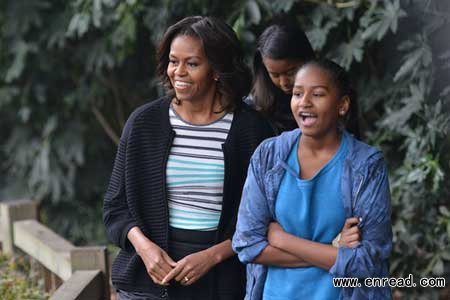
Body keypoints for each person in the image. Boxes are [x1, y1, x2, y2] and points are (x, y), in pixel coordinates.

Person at [103, 16, 274, 300]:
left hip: (222, 285)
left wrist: (212, 256)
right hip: (146, 284)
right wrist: (146, 250)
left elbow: (266, 218)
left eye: (192, 63)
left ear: (217, 70)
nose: (178, 72)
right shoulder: (144, 123)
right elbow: (115, 208)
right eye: (173, 61)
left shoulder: (252, 131)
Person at [233, 59, 392, 300]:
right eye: (297, 93)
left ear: (342, 105)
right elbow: (247, 246)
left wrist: (280, 239)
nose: (304, 102)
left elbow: (368, 262)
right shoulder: (268, 156)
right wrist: (333, 250)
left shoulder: (366, 165)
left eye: (317, 94)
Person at [248, 21, 315, 134]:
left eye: (290, 72)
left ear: (306, 60)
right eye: (275, 75)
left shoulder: (329, 96)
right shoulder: (254, 107)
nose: (284, 82)